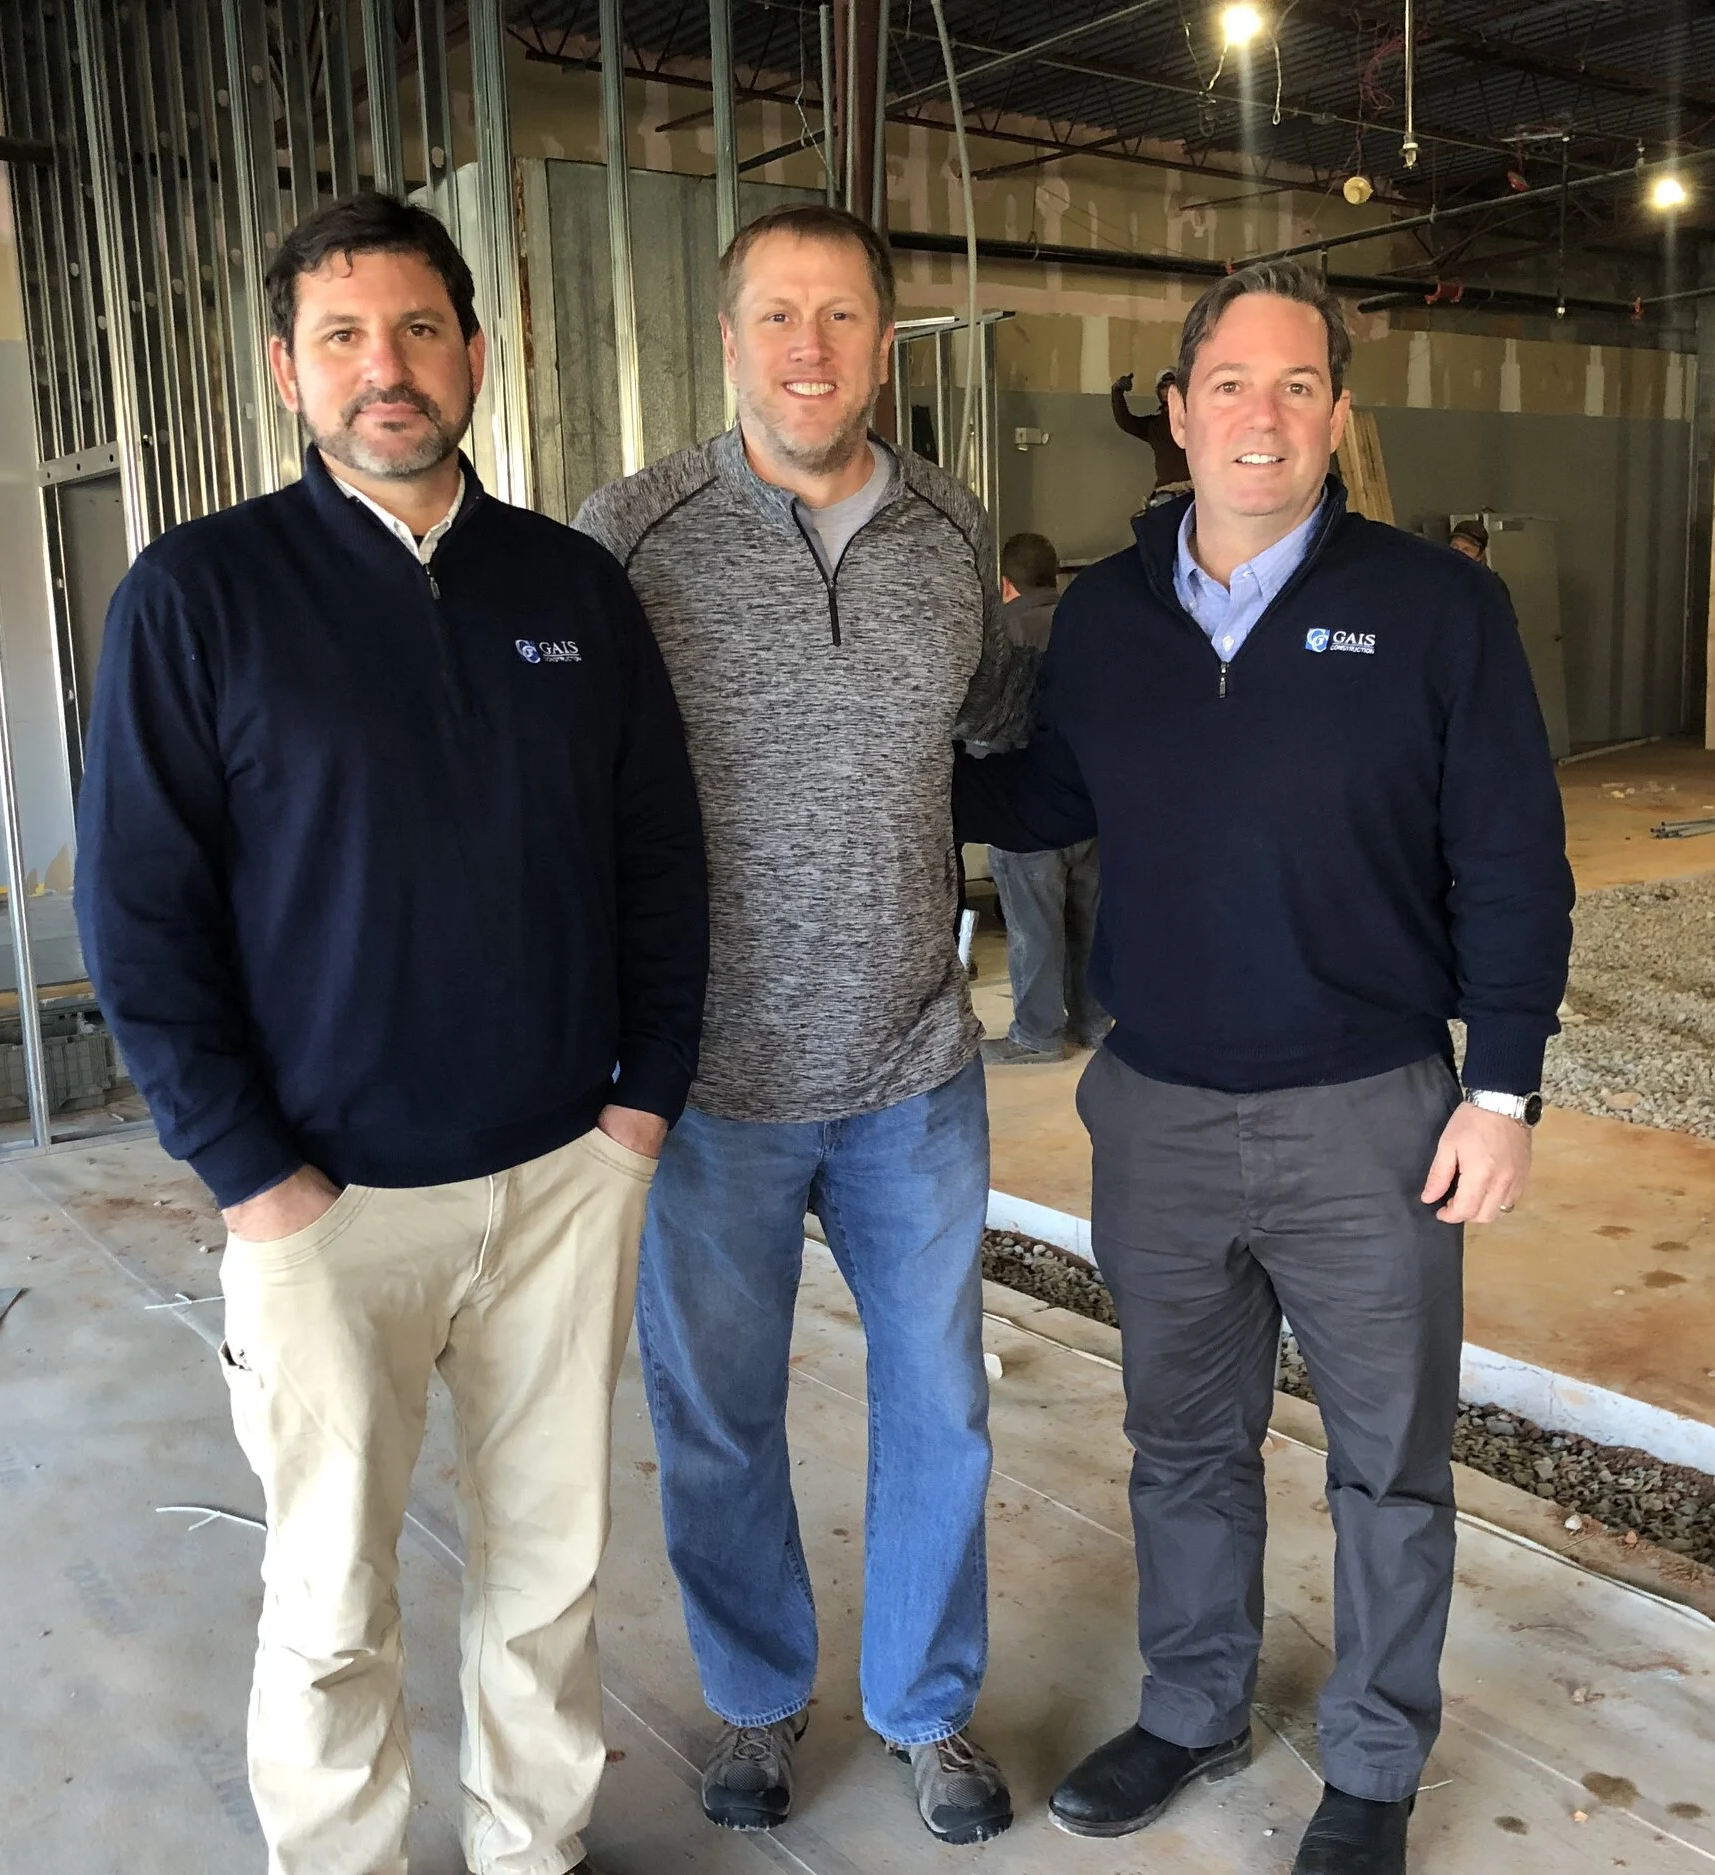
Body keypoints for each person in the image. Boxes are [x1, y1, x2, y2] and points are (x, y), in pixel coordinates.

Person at [76, 192, 708, 1875]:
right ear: (288, 370)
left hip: (563, 1180)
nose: (388, 370)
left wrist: (641, 1106)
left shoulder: (571, 587)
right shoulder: (198, 596)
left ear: (477, 354)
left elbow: (660, 858)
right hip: (325, 1202)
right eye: (345, 337)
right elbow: (139, 915)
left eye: (420, 330)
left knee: (548, 1571)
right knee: (332, 1594)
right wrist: (251, 1174)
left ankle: (532, 1845)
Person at [959, 259, 1573, 1875]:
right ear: (1177, 410)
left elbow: (1513, 855)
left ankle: (1370, 1766)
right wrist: (899, 750)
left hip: (1369, 1111)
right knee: (1181, 1443)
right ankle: (1194, 1703)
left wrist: (1500, 1089)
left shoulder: (1442, 611)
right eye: (1231, 381)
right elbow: (1049, 804)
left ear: (1339, 419)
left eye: (1299, 386)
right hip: (1154, 1108)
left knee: (1388, 1463)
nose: (1263, 414)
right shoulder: (1104, 614)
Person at [574, 204, 1030, 1848]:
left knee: (943, 1411)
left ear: (884, 347)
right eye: (781, 316)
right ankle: (761, 1700)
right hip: (714, 1082)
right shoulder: (634, 533)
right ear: (731, 340)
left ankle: (925, 1710)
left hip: (915, 1063)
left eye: (842, 317)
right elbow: (572, 795)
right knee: (717, 1417)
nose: (811, 350)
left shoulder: (942, 529)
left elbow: (990, 734)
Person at [981, 530, 1105, 1066]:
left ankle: (1037, 1034)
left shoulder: (999, 632)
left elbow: (983, 722)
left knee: (1035, 925)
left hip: (1025, 806)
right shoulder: (1090, 624)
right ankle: (1095, 1023)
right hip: (1092, 800)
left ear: (1005, 584)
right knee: (1090, 917)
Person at [1110, 369, 1192, 506]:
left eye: (1173, 385)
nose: (1168, 390)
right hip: (1167, 492)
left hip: (1195, 489)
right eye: (1164, 386)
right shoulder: (1154, 425)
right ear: (1158, 392)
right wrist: (1117, 391)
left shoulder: (1194, 419)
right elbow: (1125, 421)